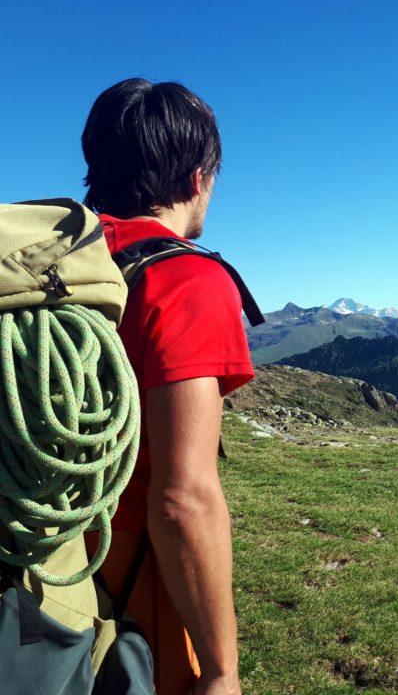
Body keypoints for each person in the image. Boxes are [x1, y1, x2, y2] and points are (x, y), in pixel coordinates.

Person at [81, 78, 254, 695]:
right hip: (126, 576)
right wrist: (222, 672)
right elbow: (183, 498)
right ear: (197, 179)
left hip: (29, 553)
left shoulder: (50, 267)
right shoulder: (183, 277)